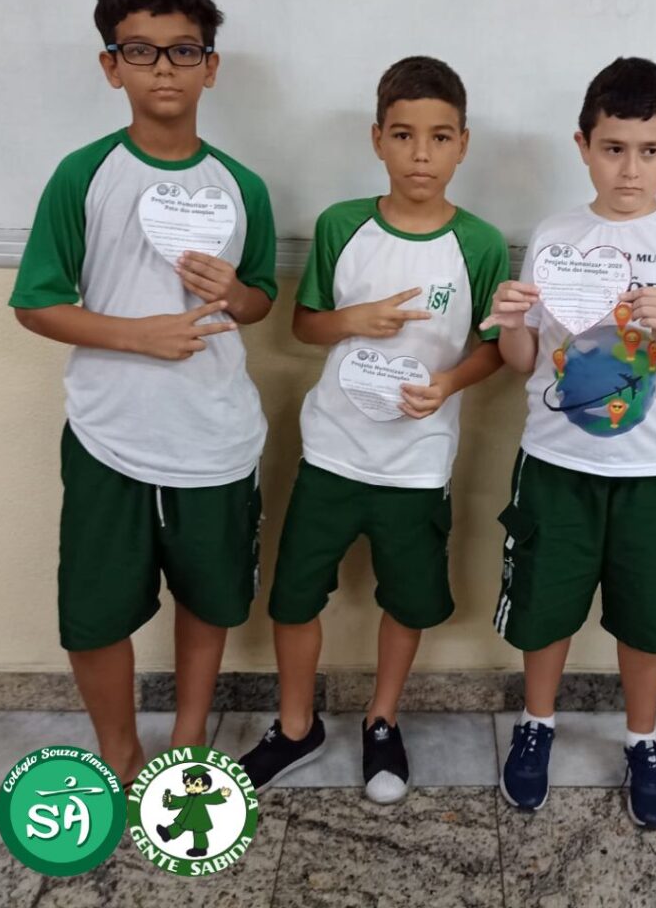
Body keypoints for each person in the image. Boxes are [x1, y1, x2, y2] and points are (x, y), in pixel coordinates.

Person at [9, 0, 277, 786]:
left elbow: (260, 298)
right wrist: (137, 334)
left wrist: (235, 293)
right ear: (110, 65)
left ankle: (189, 738)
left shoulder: (241, 186)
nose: (164, 67)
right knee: (95, 612)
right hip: (110, 434)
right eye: (141, 50)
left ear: (210, 66)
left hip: (214, 436)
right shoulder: (83, 175)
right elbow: (36, 303)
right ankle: (119, 752)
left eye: (184, 51)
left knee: (208, 597)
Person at [239, 56, 509, 804]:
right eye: (403, 135)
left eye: (439, 137)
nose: (421, 154)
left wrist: (449, 383)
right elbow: (305, 324)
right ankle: (297, 725)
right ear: (377, 139)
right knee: (294, 597)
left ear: (462, 144)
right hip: (331, 451)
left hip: (417, 463)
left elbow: (494, 347)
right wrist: (353, 320)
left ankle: (382, 718)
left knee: (407, 599)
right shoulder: (341, 225)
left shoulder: (481, 244)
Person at [486, 57, 656, 828]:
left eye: (649, 150)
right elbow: (522, 361)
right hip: (555, 464)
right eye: (613, 149)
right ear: (583, 146)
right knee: (544, 607)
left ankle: (641, 738)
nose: (630, 169)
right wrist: (510, 322)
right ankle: (537, 724)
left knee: (649, 616)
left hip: (653, 471)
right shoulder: (556, 236)